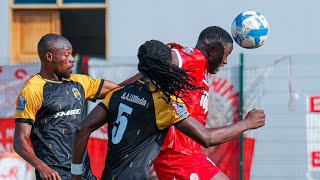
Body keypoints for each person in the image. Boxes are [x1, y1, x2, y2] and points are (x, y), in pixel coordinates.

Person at [70, 40, 265, 180]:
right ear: (166, 67)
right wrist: (247, 123)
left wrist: (76, 174)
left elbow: (82, 129)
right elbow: (207, 137)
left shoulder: (117, 95)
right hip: (171, 162)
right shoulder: (165, 103)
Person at [13, 33, 139, 180]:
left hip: (82, 174)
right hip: (56, 176)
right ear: (49, 57)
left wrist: (146, 73)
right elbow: (19, 141)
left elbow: (119, 90)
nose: (72, 60)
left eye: (71, 55)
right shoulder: (33, 90)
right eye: (66, 55)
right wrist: (42, 168)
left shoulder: (79, 82)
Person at [153, 26, 238, 180]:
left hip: (192, 153)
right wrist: (120, 89)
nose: (225, 61)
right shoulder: (195, 57)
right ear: (213, 49)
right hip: (176, 154)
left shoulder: (201, 68)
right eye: (226, 55)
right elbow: (161, 61)